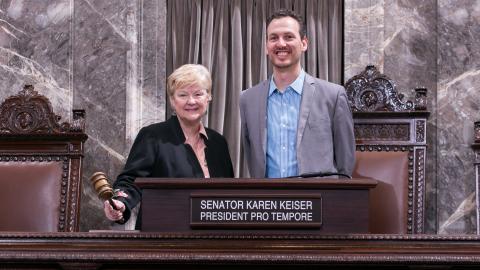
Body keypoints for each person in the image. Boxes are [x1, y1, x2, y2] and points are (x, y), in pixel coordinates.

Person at [104, 64, 234, 226]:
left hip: (212, 239)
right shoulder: (153, 136)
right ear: (172, 101)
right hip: (163, 238)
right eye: (183, 95)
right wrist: (121, 204)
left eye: (198, 94)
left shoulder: (218, 143)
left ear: (208, 97)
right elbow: (131, 180)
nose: (191, 101)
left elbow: (229, 193)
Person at [240, 9, 355, 178]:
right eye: (274, 38)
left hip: (319, 200)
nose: (281, 44)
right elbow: (252, 160)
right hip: (268, 200)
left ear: (304, 43)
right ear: (266, 47)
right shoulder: (248, 99)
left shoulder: (334, 96)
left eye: (288, 37)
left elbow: (345, 166)